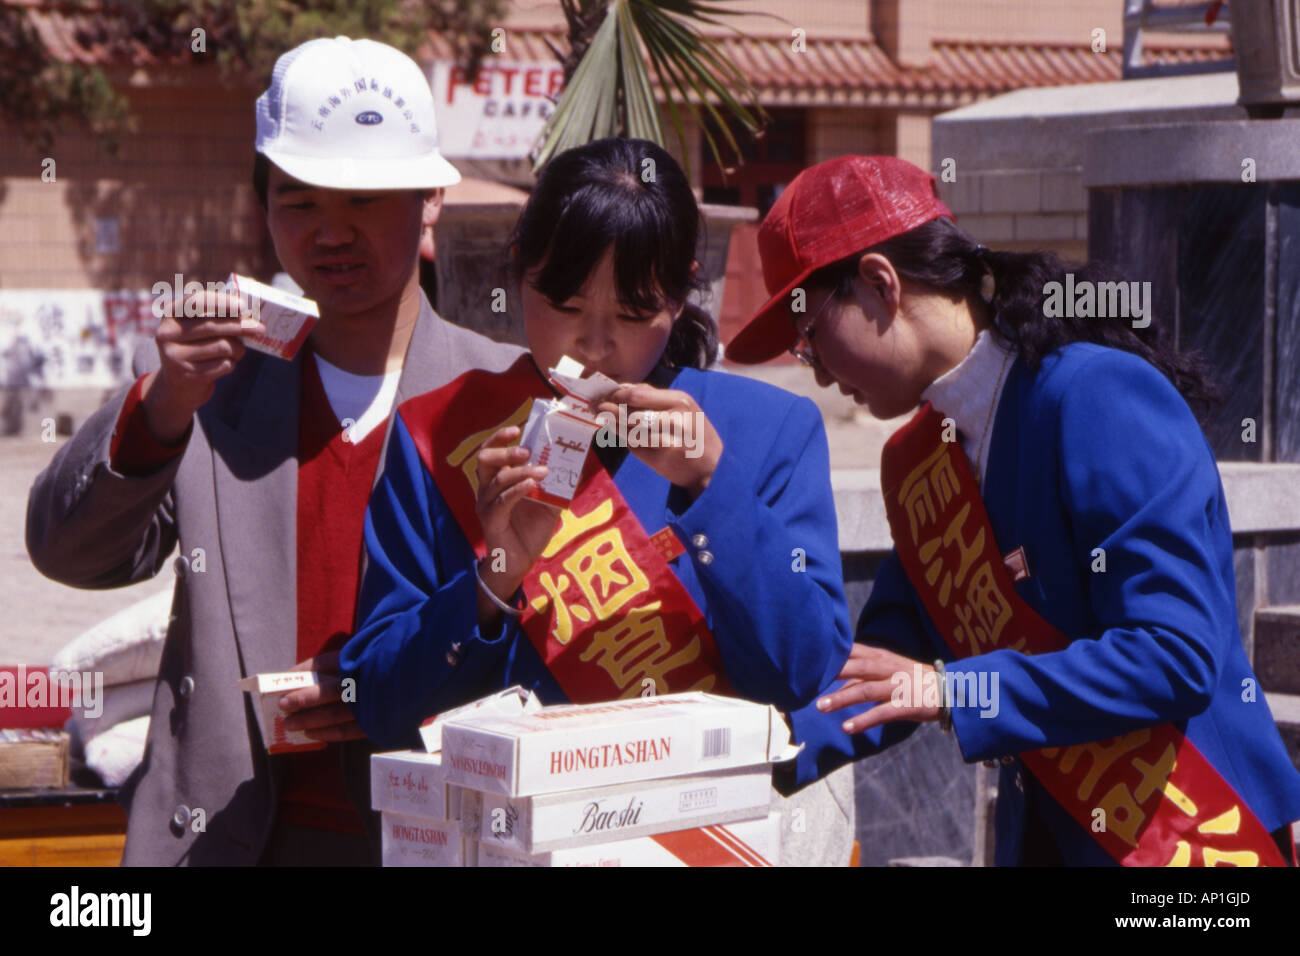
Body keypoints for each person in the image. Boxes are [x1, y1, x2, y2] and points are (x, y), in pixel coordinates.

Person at [25, 36, 522, 865]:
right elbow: (69, 552)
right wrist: (159, 408)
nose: (331, 233)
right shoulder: (207, 383)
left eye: (363, 200)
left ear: (431, 198)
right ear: (263, 208)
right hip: (225, 838)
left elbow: (545, 634)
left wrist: (391, 685)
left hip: (433, 834)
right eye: (298, 202)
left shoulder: (504, 394)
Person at [725, 154, 1300, 867]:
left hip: (1194, 844)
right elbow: (888, 673)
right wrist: (738, 760)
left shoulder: (1093, 395)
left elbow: (1174, 655)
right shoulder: (915, 463)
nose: (813, 371)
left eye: (809, 337)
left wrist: (952, 691)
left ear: (880, 284)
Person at [342, 137, 857, 864]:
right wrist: (493, 579)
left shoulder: (769, 432)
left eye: (633, 310)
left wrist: (713, 489)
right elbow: (377, 705)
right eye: (565, 302)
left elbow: (803, 671)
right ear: (518, 271)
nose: (594, 342)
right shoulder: (447, 436)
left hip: (703, 845)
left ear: (680, 294)